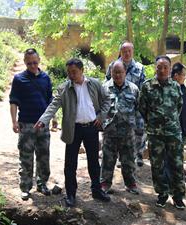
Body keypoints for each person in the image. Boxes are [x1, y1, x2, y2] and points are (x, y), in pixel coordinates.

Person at [35, 58, 111, 208]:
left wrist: (101, 116)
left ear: (82, 70)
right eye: (69, 72)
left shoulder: (95, 84)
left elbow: (107, 99)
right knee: (70, 164)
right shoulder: (64, 88)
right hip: (73, 129)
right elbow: (53, 105)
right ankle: (71, 194)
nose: (71, 75)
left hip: (91, 127)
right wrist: (43, 120)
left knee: (94, 162)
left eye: (74, 72)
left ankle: (97, 190)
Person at [138, 55, 185, 209]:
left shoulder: (176, 86)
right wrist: (153, 122)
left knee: (176, 164)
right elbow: (142, 108)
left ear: (170, 69)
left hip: (173, 133)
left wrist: (170, 122)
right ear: (155, 68)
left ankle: (178, 196)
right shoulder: (147, 86)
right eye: (159, 67)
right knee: (157, 165)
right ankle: (162, 194)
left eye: (165, 67)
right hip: (155, 134)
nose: (162, 70)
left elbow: (179, 107)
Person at [9, 48, 53, 201]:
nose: (33, 66)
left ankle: (42, 184)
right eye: (29, 63)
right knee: (26, 157)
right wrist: (14, 121)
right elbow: (13, 101)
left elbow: (50, 101)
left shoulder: (46, 78)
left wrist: (53, 118)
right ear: (25, 63)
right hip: (26, 124)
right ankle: (25, 187)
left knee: (44, 156)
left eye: (35, 62)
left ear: (39, 60)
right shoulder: (19, 79)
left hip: (43, 124)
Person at [100, 60, 140, 194]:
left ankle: (131, 183)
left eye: (120, 72)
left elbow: (138, 109)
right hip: (109, 132)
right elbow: (98, 108)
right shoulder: (104, 88)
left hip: (128, 133)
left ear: (125, 72)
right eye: (115, 72)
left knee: (129, 160)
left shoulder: (133, 89)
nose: (117, 75)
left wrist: (139, 130)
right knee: (107, 159)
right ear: (111, 73)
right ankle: (105, 183)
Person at [105, 42, 147, 166]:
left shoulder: (139, 67)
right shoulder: (113, 65)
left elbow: (143, 86)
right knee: (116, 129)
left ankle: (138, 155)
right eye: (124, 51)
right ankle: (120, 157)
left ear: (133, 52)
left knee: (139, 129)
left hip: (134, 101)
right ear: (120, 52)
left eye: (129, 51)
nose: (127, 53)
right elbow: (107, 82)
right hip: (116, 102)